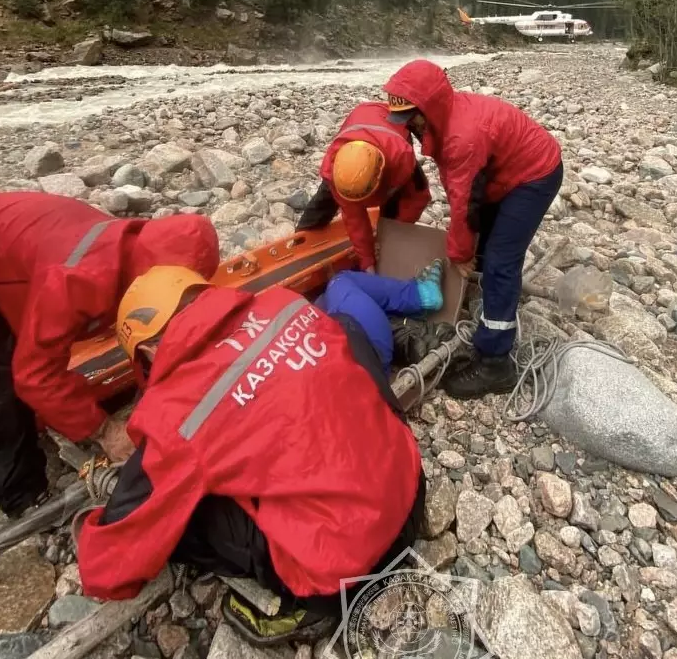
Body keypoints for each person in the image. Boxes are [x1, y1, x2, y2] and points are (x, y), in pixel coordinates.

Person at [75, 260, 445, 645]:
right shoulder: (286, 306)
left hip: (350, 574)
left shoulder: (178, 414)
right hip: (412, 492)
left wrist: (96, 521)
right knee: (344, 336)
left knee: (182, 509)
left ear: (150, 351)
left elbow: (108, 565)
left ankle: (303, 603)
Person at [0, 192, 220, 517]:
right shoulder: (75, 281)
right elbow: (34, 375)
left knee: (35, 347)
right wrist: (105, 430)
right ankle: (19, 494)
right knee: (2, 379)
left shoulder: (143, 244)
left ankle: (50, 415)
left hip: (2, 251)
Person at [383, 59, 564, 399]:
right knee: (480, 243)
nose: (408, 127)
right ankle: (483, 298)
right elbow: (469, 201)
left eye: (411, 118)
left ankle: (496, 362)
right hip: (503, 170)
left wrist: (458, 252)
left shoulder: (461, 138)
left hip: (534, 175)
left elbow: (464, 203)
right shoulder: (442, 116)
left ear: (429, 108)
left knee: (500, 262)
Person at [296, 101, 431, 273]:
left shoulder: (401, 157)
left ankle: (386, 234)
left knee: (393, 207)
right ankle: (301, 241)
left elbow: (418, 197)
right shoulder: (334, 169)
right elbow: (354, 218)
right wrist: (367, 262)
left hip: (390, 131)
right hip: (360, 122)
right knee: (325, 199)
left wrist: (391, 234)